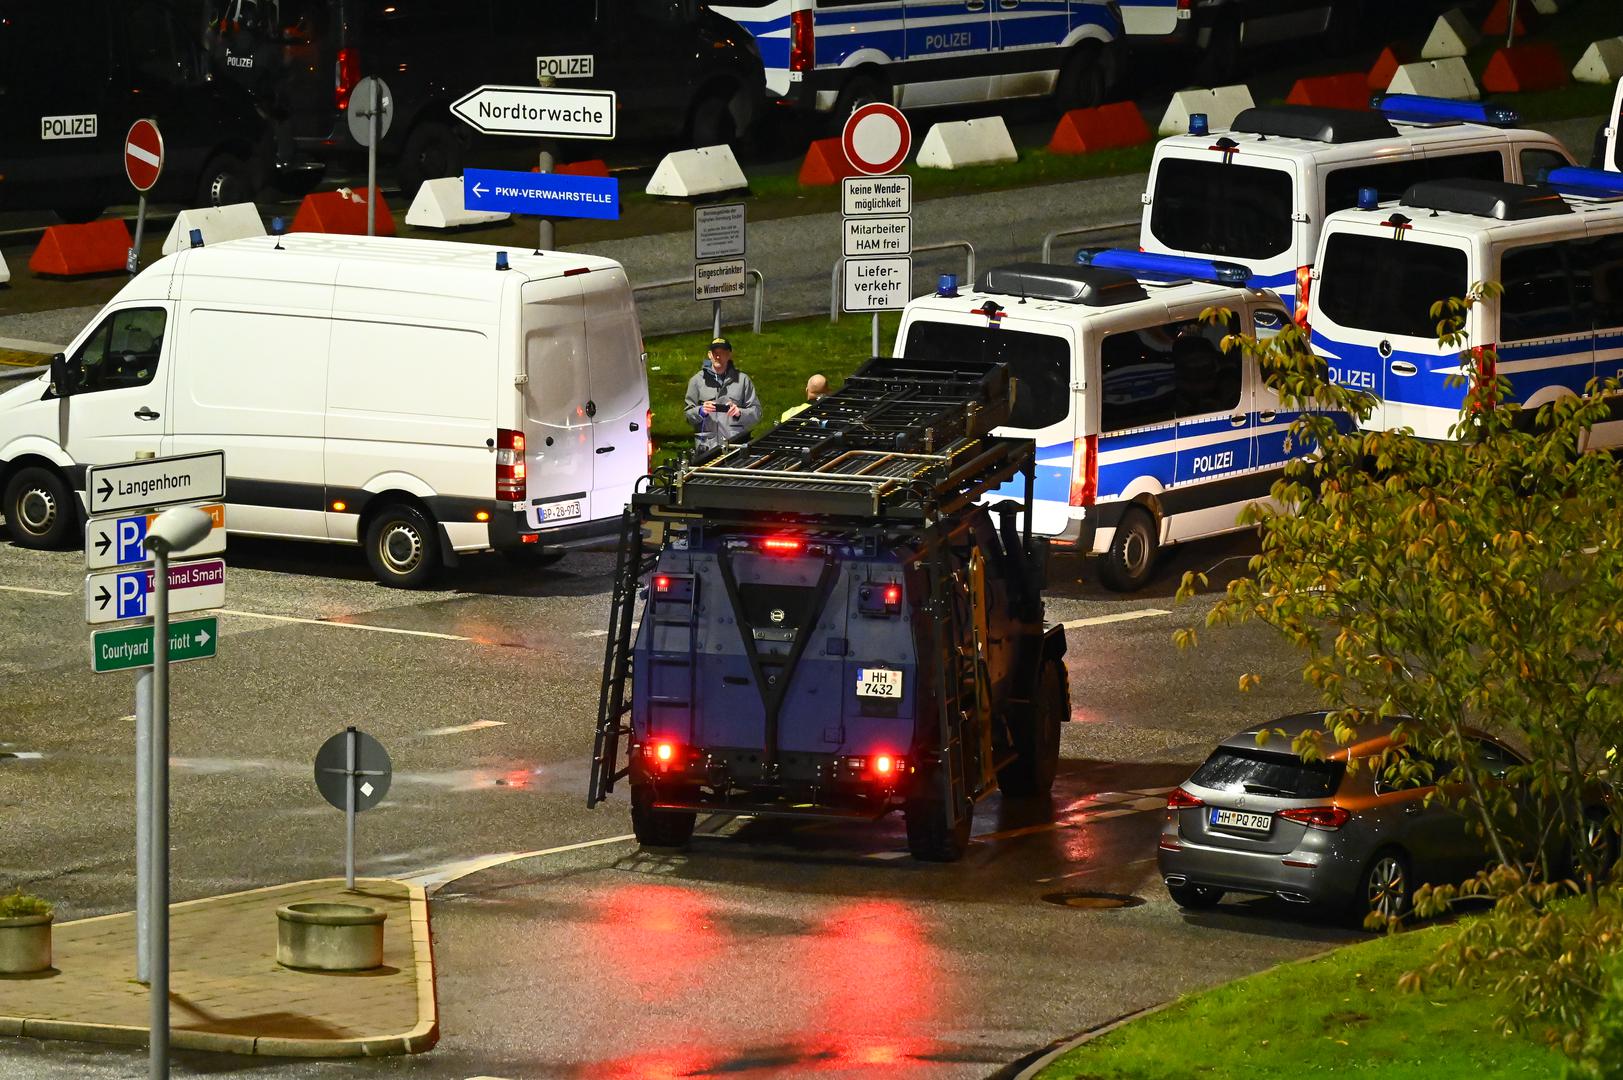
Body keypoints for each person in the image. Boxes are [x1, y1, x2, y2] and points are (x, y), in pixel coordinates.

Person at [684, 338, 761, 452]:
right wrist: (701, 411)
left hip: (735, 445)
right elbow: (688, 415)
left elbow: (757, 413)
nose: (718, 357)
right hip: (706, 447)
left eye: (722, 353)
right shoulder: (696, 381)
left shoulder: (743, 380)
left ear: (729, 355)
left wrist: (739, 413)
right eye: (715, 353)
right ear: (709, 355)